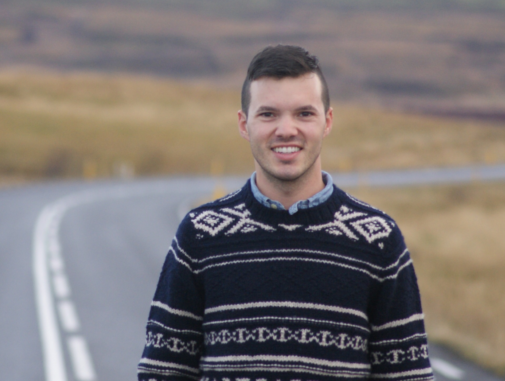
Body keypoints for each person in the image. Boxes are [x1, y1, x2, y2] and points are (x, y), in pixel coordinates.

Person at [138, 45, 433, 381]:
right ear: (243, 124)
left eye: (304, 113)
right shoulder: (200, 234)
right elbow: (162, 372)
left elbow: (408, 377)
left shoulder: (378, 240)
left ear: (328, 121)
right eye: (268, 114)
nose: (286, 129)